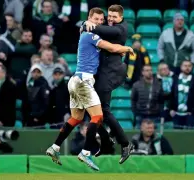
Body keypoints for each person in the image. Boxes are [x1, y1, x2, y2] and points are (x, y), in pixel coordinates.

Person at [46, 7, 134, 171]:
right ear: (89, 19)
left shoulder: (87, 34)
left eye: (102, 20)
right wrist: (127, 49)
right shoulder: (90, 34)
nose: (100, 22)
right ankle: (86, 152)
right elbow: (114, 48)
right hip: (84, 81)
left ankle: (55, 147)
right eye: (96, 19)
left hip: (75, 80)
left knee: (76, 118)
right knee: (98, 116)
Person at [83, 4, 134, 164]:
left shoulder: (119, 29)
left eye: (114, 17)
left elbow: (101, 30)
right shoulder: (109, 25)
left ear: (121, 17)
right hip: (104, 73)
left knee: (102, 110)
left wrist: (87, 24)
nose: (110, 19)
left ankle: (125, 144)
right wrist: (85, 23)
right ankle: (106, 141)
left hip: (112, 73)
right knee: (93, 109)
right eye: (109, 16)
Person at [170, 60, 194, 129]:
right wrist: (171, 109)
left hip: (189, 113)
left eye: (189, 66)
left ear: (192, 67)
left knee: (189, 136)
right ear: (181, 67)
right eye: (185, 66)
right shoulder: (175, 78)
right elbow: (171, 95)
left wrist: (193, 111)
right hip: (176, 113)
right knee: (176, 136)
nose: (187, 68)